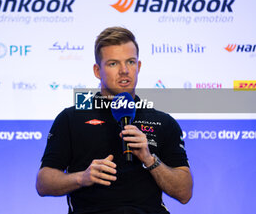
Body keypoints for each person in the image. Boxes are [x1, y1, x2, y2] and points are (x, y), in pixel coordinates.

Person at [36, 26, 193, 214]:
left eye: (131, 62)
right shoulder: (71, 118)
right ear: (97, 70)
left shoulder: (162, 121)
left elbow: (184, 193)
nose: (124, 70)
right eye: (113, 64)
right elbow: (43, 183)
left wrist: (149, 158)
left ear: (139, 66)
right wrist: (82, 178)